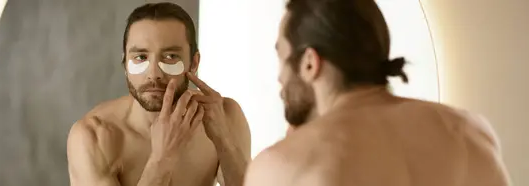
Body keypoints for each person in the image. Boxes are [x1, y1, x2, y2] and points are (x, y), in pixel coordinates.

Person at [244, 0, 510, 186]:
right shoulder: (470, 133)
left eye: (280, 55)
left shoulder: (283, 165)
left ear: (310, 63)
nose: (279, 78)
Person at [66, 3, 251, 186]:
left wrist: (224, 142)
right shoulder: (93, 137)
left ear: (193, 63)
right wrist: (162, 159)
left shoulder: (225, 116)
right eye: (141, 57)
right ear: (125, 63)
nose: (154, 73)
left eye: (170, 56)